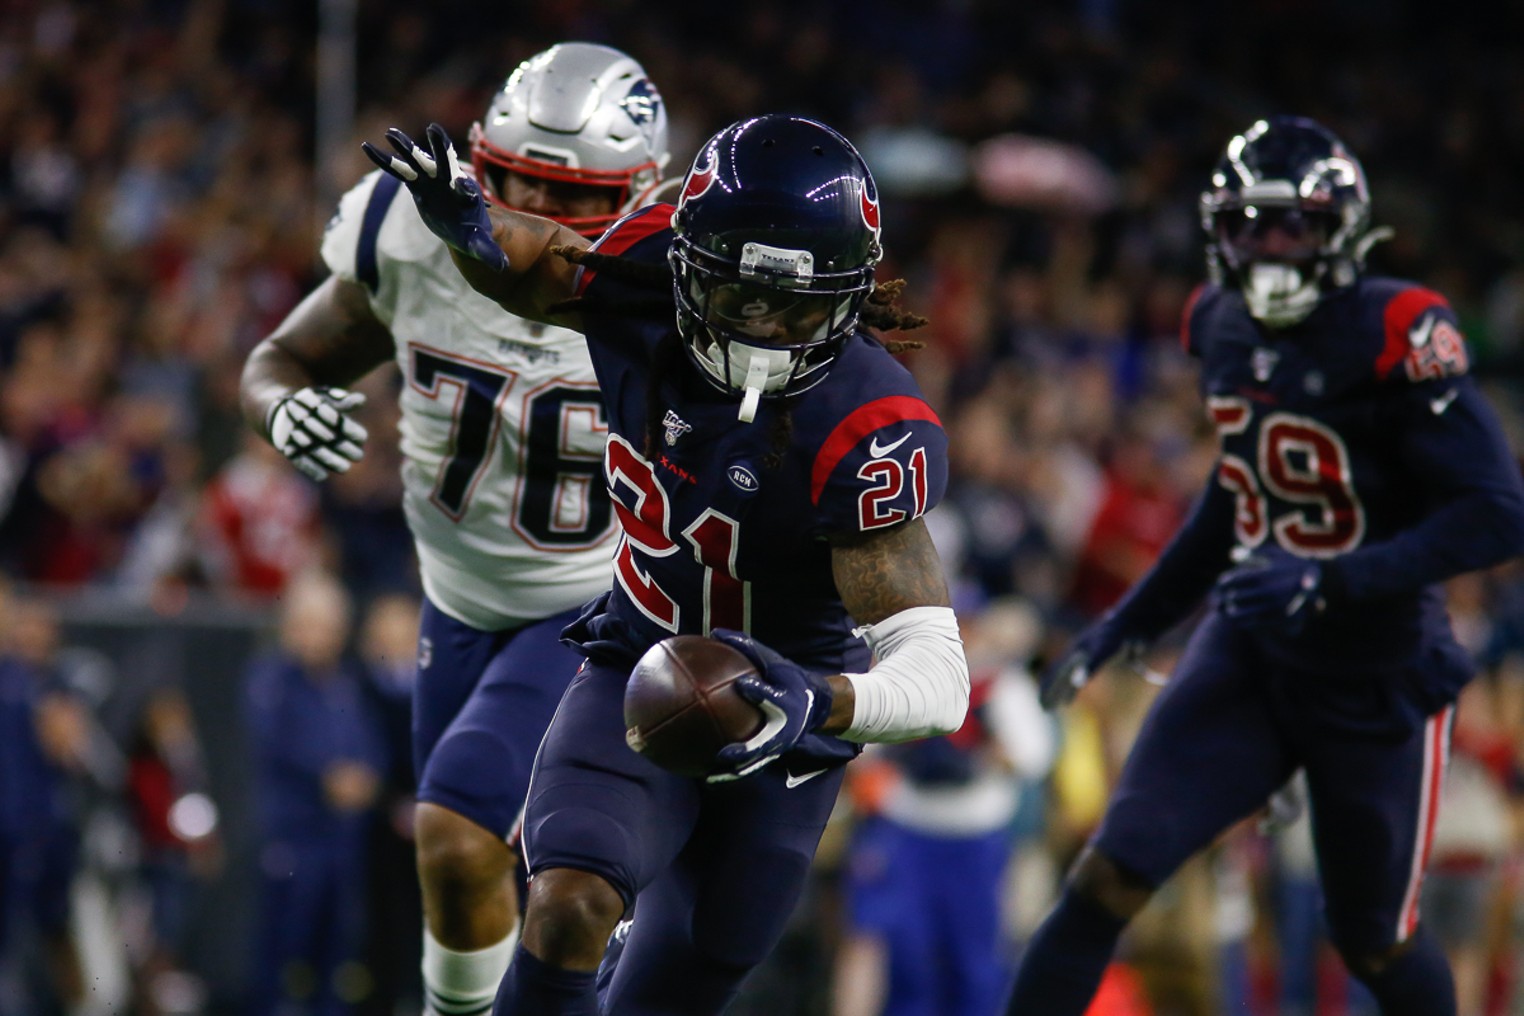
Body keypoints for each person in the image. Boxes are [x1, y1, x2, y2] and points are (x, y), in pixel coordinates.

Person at [360, 112, 970, 1015]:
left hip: (783, 723)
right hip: (634, 662)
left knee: (678, 982)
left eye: (797, 307)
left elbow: (940, 679)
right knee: (567, 906)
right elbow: (534, 263)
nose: (763, 331)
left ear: (850, 297)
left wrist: (811, 696)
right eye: (740, 298)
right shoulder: (640, 279)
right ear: (686, 268)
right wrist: (473, 224)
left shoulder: (866, 424)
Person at [1001, 115, 1524, 1016]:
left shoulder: (1399, 328)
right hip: (1250, 652)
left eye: (1297, 225)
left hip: (1378, 668)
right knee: (1104, 880)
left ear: (1346, 232)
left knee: (1375, 944)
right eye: (1252, 223)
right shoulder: (1219, 324)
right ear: (1219, 229)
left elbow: (1496, 513)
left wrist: (1332, 578)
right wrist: (1131, 620)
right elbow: (1233, 498)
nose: (1273, 247)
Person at [239, 43, 671, 1016]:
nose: (535, 217)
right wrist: (281, 405)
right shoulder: (407, 230)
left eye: (575, 197)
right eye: (518, 182)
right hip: (455, 597)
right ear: (480, 160)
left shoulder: (671, 281)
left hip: (592, 601)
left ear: (642, 194)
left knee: (463, 826)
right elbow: (287, 355)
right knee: (469, 872)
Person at [245, 569, 387, 1016]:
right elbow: (273, 738)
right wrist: (328, 775)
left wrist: (368, 776)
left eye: (329, 625)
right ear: (290, 625)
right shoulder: (272, 678)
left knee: (338, 950)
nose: (319, 636)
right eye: (310, 623)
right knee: (284, 946)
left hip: (341, 840)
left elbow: (371, 741)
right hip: (293, 834)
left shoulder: (347, 681)